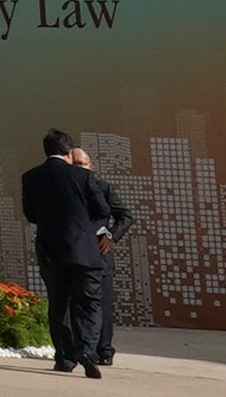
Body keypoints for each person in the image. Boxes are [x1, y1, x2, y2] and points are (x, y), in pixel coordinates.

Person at [19, 126, 115, 376]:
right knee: (90, 303)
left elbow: (30, 215)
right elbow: (103, 210)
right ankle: (86, 349)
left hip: (50, 251)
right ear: (69, 153)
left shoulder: (31, 177)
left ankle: (64, 358)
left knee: (58, 304)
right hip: (84, 250)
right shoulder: (83, 177)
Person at [69, 144, 136, 366]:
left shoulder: (103, 188)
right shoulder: (68, 190)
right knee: (76, 304)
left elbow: (125, 216)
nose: (80, 168)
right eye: (75, 164)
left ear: (91, 166)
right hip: (75, 255)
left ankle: (104, 350)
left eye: (83, 164)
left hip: (100, 256)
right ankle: (80, 348)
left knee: (102, 305)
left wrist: (112, 237)